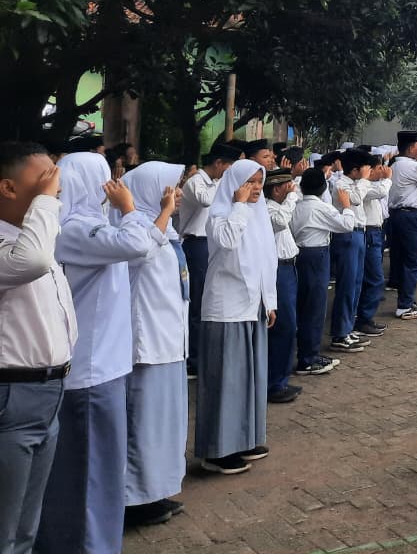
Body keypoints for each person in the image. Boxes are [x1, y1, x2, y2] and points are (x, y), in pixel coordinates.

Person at [36, 152, 169, 554]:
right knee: (91, 472)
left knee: (99, 469)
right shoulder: (75, 229)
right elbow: (138, 243)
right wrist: (129, 208)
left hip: (104, 366)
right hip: (91, 371)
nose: (112, 187)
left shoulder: (94, 227)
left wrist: (136, 215)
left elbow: (146, 245)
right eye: (106, 180)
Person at [0, 143, 74, 554]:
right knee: (5, 530)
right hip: (12, 395)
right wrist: (45, 202)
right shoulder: (22, 247)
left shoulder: (35, 237)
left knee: (26, 528)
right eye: (45, 177)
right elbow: (29, 263)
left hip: (47, 392)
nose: (55, 185)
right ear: (8, 188)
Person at [194, 160, 276, 476]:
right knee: (226, 381)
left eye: (259, 182)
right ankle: (218, 451)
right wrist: (239, 205)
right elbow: (228, 241)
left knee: (249, 379)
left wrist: (270, 301)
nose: (256, 188)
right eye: (249, 182)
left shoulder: (258, 215)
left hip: (252, 307)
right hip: (226, 309)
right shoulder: (219, 215)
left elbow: (267, 259)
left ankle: (244, 439)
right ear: (233, 185)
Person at [117, 162, 188, 528]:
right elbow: (142, 251)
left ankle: (156, 489)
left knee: (164, 424)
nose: (177, 195)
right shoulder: (134, 231)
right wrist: (163, 212)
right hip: (148, 343)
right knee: (143, 424)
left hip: (170, 340)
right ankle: (134, 498)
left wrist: (164, 215)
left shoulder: (165, 230)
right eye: (170, 189)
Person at [179, 141, 240, 378]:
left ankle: (202, 352)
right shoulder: (196, 181)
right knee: (197, 302)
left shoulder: (215, 183)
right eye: (228, 169)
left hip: (210, 244)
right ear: (218, 163)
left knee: (208, 299)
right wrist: (226, 185)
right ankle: (193, 358)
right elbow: (206, 200)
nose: (228, 175)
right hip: (195, 244)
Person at [291, 168, 359, 373]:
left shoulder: (296, 205)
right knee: (314, 308)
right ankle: (308, 358)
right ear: (323, 188)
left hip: (299, 254)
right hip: (316, 255)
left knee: (303, 306)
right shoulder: (320, 207)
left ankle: (306, 353)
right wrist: (347, 206)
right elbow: (347, 225)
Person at [263, 170, 302, 404]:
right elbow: (280, 222)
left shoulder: (280, 207)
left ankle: (281, 379)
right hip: (277, 270)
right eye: (288, 187)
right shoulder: (268, 208)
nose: (292, 190)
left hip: (288, 266)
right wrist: (291, 198)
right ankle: (274, 383)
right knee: (283, 326)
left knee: (289, 325)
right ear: (276, 190)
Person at [387, 132, 417, 320]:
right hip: (412, 217)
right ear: (409, 148)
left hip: (399, 215)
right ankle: (405, 305)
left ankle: (405, 301)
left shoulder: (395, 165)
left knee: (402, 260)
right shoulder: (408, 165)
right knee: (414, 261)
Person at [330, 150, 372, 353]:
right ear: (355, 170)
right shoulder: (341, 184)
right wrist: (364, 180)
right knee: (346, 284)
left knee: (356, 283)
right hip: (346, 235)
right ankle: (340, 333)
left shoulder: (355, 183)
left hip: (358, 233)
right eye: (364, 168)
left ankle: (348, 326)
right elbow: (355, 199)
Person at [355, 155, 392, 336]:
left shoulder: (370, 185)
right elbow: (382, 192)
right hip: (369, 233)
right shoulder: (363, 187)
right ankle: (363, 318)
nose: (382, 171)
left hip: (375, 231)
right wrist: (388, 178)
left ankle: (365, 317)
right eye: (379, 168)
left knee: (371, 278)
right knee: (374, 278)